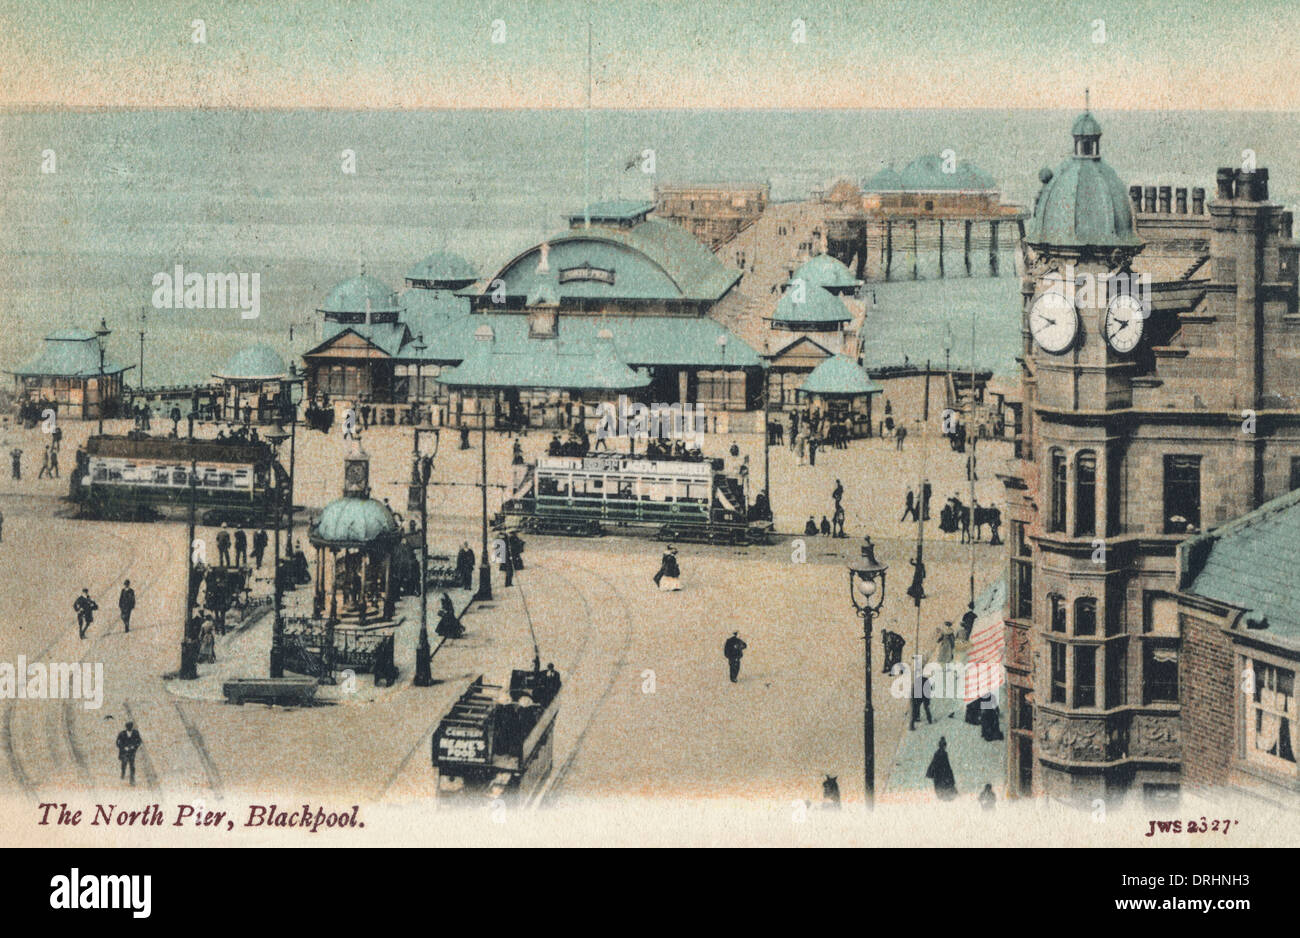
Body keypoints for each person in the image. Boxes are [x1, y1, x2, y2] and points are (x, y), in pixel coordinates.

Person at [116, 722, 143, 786]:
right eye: (128, 727)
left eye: (130, 727)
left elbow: (139, 741)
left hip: (132, 752)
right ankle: (123, 773)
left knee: (132, 766)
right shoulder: (122, 733)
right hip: (124, 752)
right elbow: (118, 742)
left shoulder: (136, 733)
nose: (130, 728)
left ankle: (132, 780)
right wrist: (123, 748)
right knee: (124, 764)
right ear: (126, 727)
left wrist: (134, 747)